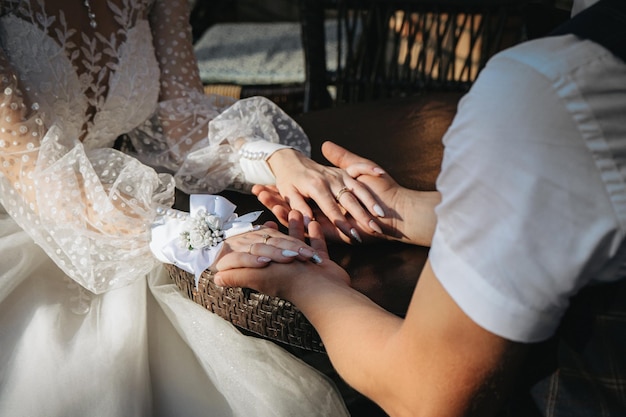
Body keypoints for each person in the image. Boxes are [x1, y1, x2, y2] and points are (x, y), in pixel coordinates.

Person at [214, 0, 626, 415]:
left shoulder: (548, 88)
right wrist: (399, 210)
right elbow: (573, 211)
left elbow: (424, 393)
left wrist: (306, 281)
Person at [0, 0, 373, 415]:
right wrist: (191, 235)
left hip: (131, 205)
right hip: (30, 219)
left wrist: (274, 161)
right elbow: (32, 167)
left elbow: (181, 119)